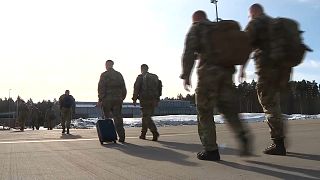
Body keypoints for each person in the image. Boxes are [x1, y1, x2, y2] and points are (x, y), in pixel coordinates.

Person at [180, 10, 251, 161]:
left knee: (205, 111)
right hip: (226, 74)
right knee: (229, 110)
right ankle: (242, 134)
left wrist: (186, 75)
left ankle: (211, 150)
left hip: (208, 75)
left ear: (195, 19)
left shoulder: (197, 28)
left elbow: (189, 53)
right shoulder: (220, 28)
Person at [239, 3, 289, 156]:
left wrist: (241, 68)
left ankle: (278, 144)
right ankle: (279, 141)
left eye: (249, 15)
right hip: (282, 71)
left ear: (253, 13)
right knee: (276, 105)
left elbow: (245, 46)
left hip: (267, 71)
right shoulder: (275, 24)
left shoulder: (256, 23)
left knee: (270, 106)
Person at [98, 60, 126, 143]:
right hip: (117, 99)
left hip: (107, 100)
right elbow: (123, 88)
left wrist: (100, 99)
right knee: (118, 118)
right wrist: (121, 98)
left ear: (107, 65)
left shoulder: (104, 75)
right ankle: (122, 137)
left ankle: (108, 136)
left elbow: (101, 88)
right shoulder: (118, 75)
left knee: (107, 119)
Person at [132, 64, 161, 141]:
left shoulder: (140, 77)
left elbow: (136, 88)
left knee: (146, 117)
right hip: (153, 99)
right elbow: (159, 88)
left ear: (141, 69)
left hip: (144, 100)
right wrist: (157, 99)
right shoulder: (154, 77)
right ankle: (143, 134)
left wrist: (134, 99)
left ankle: (154, 132)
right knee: (146, 117)